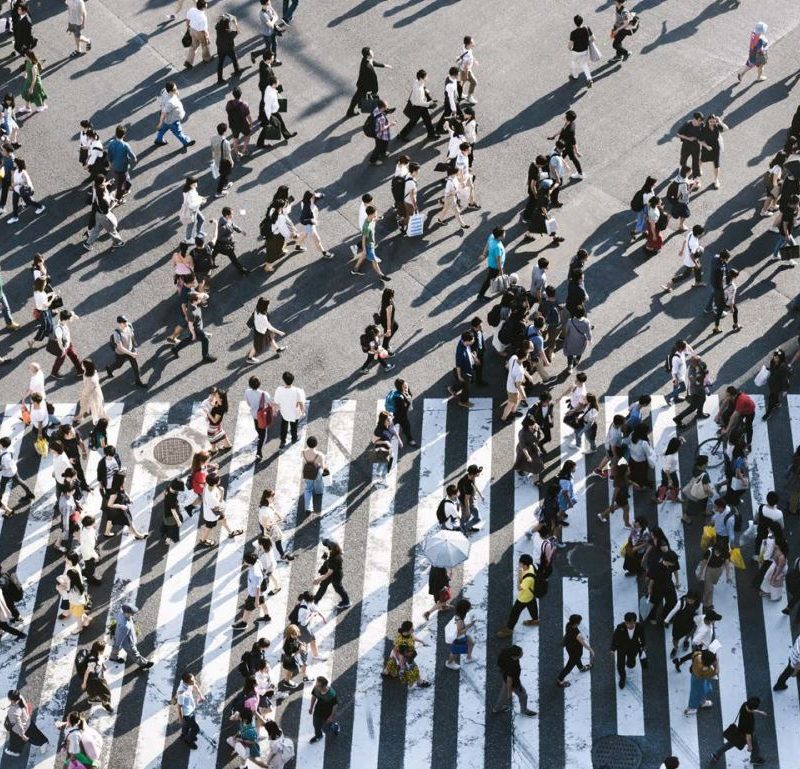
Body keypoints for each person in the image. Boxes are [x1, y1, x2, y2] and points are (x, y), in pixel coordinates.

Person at [709, 697, 766, 764]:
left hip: (739, 730)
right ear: (753, 708)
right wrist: (750, 746)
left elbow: (750, 709)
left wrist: (759, 711)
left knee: (731, 743)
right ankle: (754, 759)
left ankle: (716, 754)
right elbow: (748, 735)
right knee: (754, 744)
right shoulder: (749, 721)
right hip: (747, 733)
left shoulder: (745, 705)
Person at [495, 554, 538, 638]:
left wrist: (519, 576)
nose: (519, 564)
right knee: (532, 605)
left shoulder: (528, 579)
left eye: (520, 563)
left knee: (514, 613)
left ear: (525, 565)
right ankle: (535, 620)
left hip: (524, 598)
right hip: (531, 594)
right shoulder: (531, 567)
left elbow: (519, 588)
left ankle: (509, 629)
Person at [491, 645, 537, 716]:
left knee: (503, 694)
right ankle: (524, 710)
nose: (522, 653)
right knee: (523, 695)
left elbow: (499, 662)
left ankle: (496, 708)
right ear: (515, 656)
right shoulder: (513, 666)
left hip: (505, 676)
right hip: (514, 683)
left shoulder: (505, 652)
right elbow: (510, 680)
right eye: (521, 653)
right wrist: (510, 692)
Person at [346, 47, 391, 118]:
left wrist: (384, 65)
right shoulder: (367, 66)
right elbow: (372, 79)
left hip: (362, 84)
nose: (373, 52)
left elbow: (373, 62)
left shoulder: (366, 59)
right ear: (368, 55)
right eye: (371, 52)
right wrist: (374, 89)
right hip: (365, 86)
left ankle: (350, 112)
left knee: (356, 98)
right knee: (373, 99)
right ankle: (383, 111)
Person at [4, 690, 47, 757]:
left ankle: (14, 751)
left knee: (30, 739)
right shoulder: (20, 697)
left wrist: (22, 734)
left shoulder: (12, 712)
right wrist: (27, 716)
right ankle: (43, 742)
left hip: (23, 727)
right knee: (36, 733)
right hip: (28, 721)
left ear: (10, 699)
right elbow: (26, 706)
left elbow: (18, 724)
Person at [397, 69, 437, 142]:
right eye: (426, 76)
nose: (427, 77)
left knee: (423, 120)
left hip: (417, 105)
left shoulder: (416, 81)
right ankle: (431, 135)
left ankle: (402, 134)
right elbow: (419, 102)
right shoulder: (419, 90)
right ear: (421, 78)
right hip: (419, 107)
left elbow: (421, 88)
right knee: (417, 121)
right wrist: (429, 103)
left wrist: (425, 89)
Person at [351, 205, 390, 280]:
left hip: (371, 243)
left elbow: (373, 220)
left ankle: (355, 269)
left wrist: (378, 218)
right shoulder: (366, 227)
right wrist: (365, 250)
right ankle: (381, 275)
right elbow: (363, 239)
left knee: (363, 256)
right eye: (375, 213)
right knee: (374, 260)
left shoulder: (370, 219)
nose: (376, 214)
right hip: (369, 246)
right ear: (371, 214)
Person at [106, 315, 146, 387]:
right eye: (124, 323)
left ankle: (138, 381)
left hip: (130, 349)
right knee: (118, 365)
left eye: (126, 322)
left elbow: (132, 336)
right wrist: (131, 354)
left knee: (135, 366)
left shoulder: (129, 325)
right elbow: (120, 348)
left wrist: (135, 347)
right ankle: (109, 368)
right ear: (120, 324)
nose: (126, 324)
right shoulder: (117, 334)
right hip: (121, 353)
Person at [110, 604, 153, 669]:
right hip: (128, 642)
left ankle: (113, 657)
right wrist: (117, 645)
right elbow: (119, 638)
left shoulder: (121, 612)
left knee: (117, 648)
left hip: (125, 638)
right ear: (126, 613)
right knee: (134, 653)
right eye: (131, 613)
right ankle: (144, 664)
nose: (133, 615)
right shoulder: (125, 626)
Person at [557, 614, 594, 687]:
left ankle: (581, 668)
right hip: (576, 651)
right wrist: (591, 650)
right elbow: (583, 644)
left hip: (569, 647)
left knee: (577, 659)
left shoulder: (568, 625)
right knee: (569, 666)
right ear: (577, 623)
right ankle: (560, 679)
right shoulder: (577, 634)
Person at [154, 81, 195, 149]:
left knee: (163, 129)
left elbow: (162, 93)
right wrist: (160, 123)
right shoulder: (170, 102)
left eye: (176, 88)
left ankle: (159, 139)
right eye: (174, 89)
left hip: (166, 119)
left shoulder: (165, 90)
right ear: (170, 91)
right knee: (178, 131)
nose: (176, 90)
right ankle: (185, 142)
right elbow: (164, 112)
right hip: (172, 119)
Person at [611, 611, 646, 689]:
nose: (631, 625)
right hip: (621, 648)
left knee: (631, 664)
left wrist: (643, 645)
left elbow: (642, 637)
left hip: (633, 648)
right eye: (629, 623)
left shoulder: (639, 627)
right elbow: (615, 638)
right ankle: (622, 678)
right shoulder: (620, 628)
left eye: (633, 623)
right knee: (620, 665)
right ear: (625, 622)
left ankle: (630, 662)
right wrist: (613, 649)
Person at [312, 542, 350, 609]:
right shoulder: (338, 552)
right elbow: (328, 542)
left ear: (332, 550)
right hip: (334, 572)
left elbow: (329, 573)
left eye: (329, 548)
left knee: (338, 589)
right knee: (323, 586)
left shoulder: (333, 560)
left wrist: (318, 579)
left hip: (335, 576)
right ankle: (316, 600)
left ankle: (346, 602)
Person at [273, 370, 305, 447]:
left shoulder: (279, 390)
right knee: (294, 427)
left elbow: (276, 402)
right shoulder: (297, 391)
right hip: (295, 413)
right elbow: (301, 403)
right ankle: (294, 438)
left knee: (283, 426)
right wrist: (303, 412)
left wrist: (275, 411)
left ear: (283, 380)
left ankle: (283, 440)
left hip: (284, 412)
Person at [8, 157, 45, 224]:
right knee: (14, 203)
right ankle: (15, 217)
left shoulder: (23, 173)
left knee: (28, 202)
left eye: (15, 162)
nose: (14, 163)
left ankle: (41, 207)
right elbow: (15, 179)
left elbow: (25, 182)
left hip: (23, 191)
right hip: (17, 190)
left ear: (18, 164)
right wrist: (13, 186)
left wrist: (16, 184)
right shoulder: (16, 170)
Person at [80, 639, 113, 712]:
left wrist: (102, 666)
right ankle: (105, 703)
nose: (104, 651)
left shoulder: (93, 653)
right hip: (94, 679)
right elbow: (87, 672)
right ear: (100, 650)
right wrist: (84, 683)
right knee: (105, 692)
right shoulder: (93, 661)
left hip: (95, 675)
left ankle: (93, 698)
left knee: (92, 691)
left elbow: (99, 661)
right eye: (103, 649)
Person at [684, 648, 718, 715]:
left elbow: (695, 654)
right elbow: (716, 672)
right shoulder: (706, 670)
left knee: (701, 691)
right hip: (699, 680)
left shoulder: (698, 656)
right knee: (696, 693)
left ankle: (702, 701)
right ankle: (691, 708)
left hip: (696, 676)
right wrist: (717, 663)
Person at [176, 671, 204, 749]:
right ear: (187, 682)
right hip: (187, 713)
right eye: (192, 681)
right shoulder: (182, 693)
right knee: (196, 729)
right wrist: (180, 718)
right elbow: (179, 707)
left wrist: (200, 694)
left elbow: (194, 685)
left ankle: (184, 734)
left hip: (191, 709)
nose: (194, 681)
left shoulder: (186, 682)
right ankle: (188, 740)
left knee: (187, 725)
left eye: (193, 679)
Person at [444, 598, 475, 669]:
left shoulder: (458, 615)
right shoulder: (460, 621)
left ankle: (469, 657)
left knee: (471, 643)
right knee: (455, 652)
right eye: (468, 608)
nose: (470, 609)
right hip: (459, 639)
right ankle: (449, 663)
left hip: (461, 636)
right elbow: (459, 633)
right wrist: (469, 626)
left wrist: (468, 625)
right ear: (464, 609)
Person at [308, 676, 340, 743]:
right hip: (318, 710)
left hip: (327, 713)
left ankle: (335, 727)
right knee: (316, 724)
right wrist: (311, 707)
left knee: (328, 727)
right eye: (316, 684)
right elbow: (314, 696)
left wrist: (331, 717)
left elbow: (335, 705)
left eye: (318, 686)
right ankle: (318, 735)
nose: (316, 686)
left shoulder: (331, 694)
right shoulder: (316, 689)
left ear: (324, 686)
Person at [763, 348, 791, 420]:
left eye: (777, 357)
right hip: (772, 383)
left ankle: (768, 413)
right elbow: (772, 370)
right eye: (774, 356)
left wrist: (785, 390)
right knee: (774, 396)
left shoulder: (782, 367)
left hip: (777, 386)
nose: (774, 358)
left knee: (771, 398)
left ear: (780, 358)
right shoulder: (772, 362)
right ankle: (777, 403)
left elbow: (784, 379)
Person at [300, 436, 326, 514]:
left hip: (307, 471)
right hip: (317, 472)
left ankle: (308, 507)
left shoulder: (303, 452)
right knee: (319, 483)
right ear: (316, 444)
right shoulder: (319, 455)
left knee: (308, 488)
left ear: (307, 444)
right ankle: (318, 492)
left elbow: (303, 461)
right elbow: (322, 466)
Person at [214, 12, 241, 84]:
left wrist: (222, 19)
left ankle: (219, 79)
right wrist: (235, 24)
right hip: (229, 48)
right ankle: (237, 71)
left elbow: (219, 22)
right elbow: (238, 32)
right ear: (227, 25)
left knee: (220, 62)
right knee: (234, 58)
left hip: (220, 46)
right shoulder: (228, 32)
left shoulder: (218, 27)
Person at [568, 15, 594, 88]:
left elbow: (570, 46)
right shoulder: (587, 28)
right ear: (582, 21)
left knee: (573, 62)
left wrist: (570, 48)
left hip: (576, 52)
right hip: (585, 50)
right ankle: (589, 79)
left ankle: (575, 76)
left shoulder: (573, 33)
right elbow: (593, 38)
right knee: (584, 64)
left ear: (575, 23)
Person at [184, 0, 211, 68]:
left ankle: (188, 62)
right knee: (205, 45)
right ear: (203, 7)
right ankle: (206, 58)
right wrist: (207, 37)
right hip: (200, 32)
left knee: (193, 46)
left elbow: (187, 19)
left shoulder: (192, 10)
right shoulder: (203, 17)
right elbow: (204, 30)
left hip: (192, 30)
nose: (207, 5)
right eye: (206, 4)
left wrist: (188, 28)